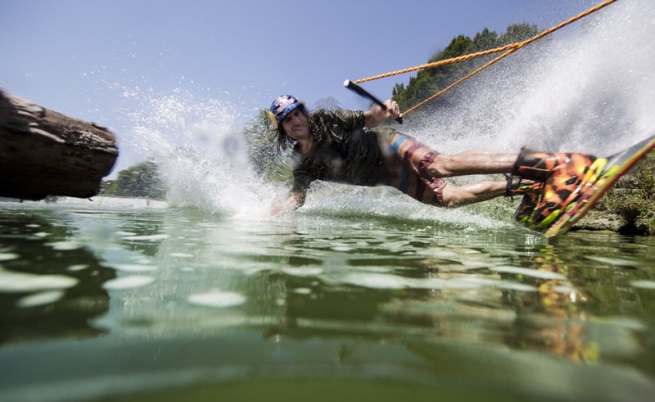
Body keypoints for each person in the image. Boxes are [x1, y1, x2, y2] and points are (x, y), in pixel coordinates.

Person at [268, 94, 597, 226]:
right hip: (393, 179)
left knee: (441, 165)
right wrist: (273, 210)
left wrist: (385, 110)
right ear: (282, 129)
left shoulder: (326, 118)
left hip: (391, 147)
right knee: (449, 198)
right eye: (288, 118)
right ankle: (527, 186)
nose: (298, 119)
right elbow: (297, 198)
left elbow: (368, 118)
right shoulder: (303, 166)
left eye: (299, 112)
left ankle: (552, 163)